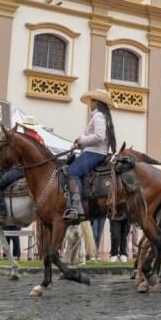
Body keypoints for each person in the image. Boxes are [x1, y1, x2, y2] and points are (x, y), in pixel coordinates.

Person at [66, 89, 117, 221]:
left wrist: (82, 140)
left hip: (95, 153)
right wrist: (80, 144)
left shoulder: (98, 116)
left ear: (97, 102)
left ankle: (76, 207)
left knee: (72, 171)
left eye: (92, 100)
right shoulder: (104, 116)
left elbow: (99, 137)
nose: (90, 103)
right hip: (95, 151)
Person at [0, 115, 45, 224]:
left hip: (24, 170)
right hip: (39, 171)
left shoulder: (24, 138)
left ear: (25, 127)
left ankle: (0, 213)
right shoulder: (39, 138)